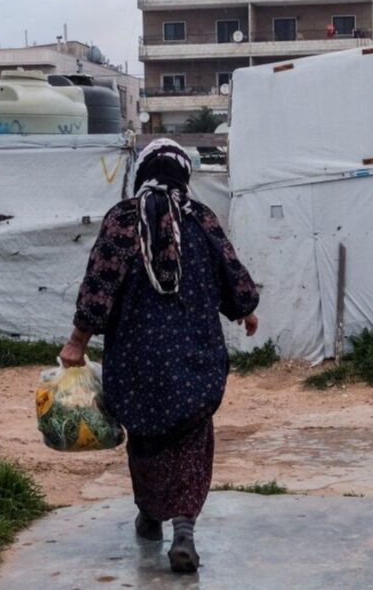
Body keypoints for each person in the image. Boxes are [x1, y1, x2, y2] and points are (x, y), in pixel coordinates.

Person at [60, 138, 259, 573]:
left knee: (146, 437)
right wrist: (246, 310)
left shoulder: (122, 219)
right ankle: (184, 528)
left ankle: (150, 516)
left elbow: (100, 282)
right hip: (194, 357)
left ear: (143, 173)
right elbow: (233, 273)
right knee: (192, 436)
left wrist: (77, 340)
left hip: (135, 360)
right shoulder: (200, 219)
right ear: (184, 175)